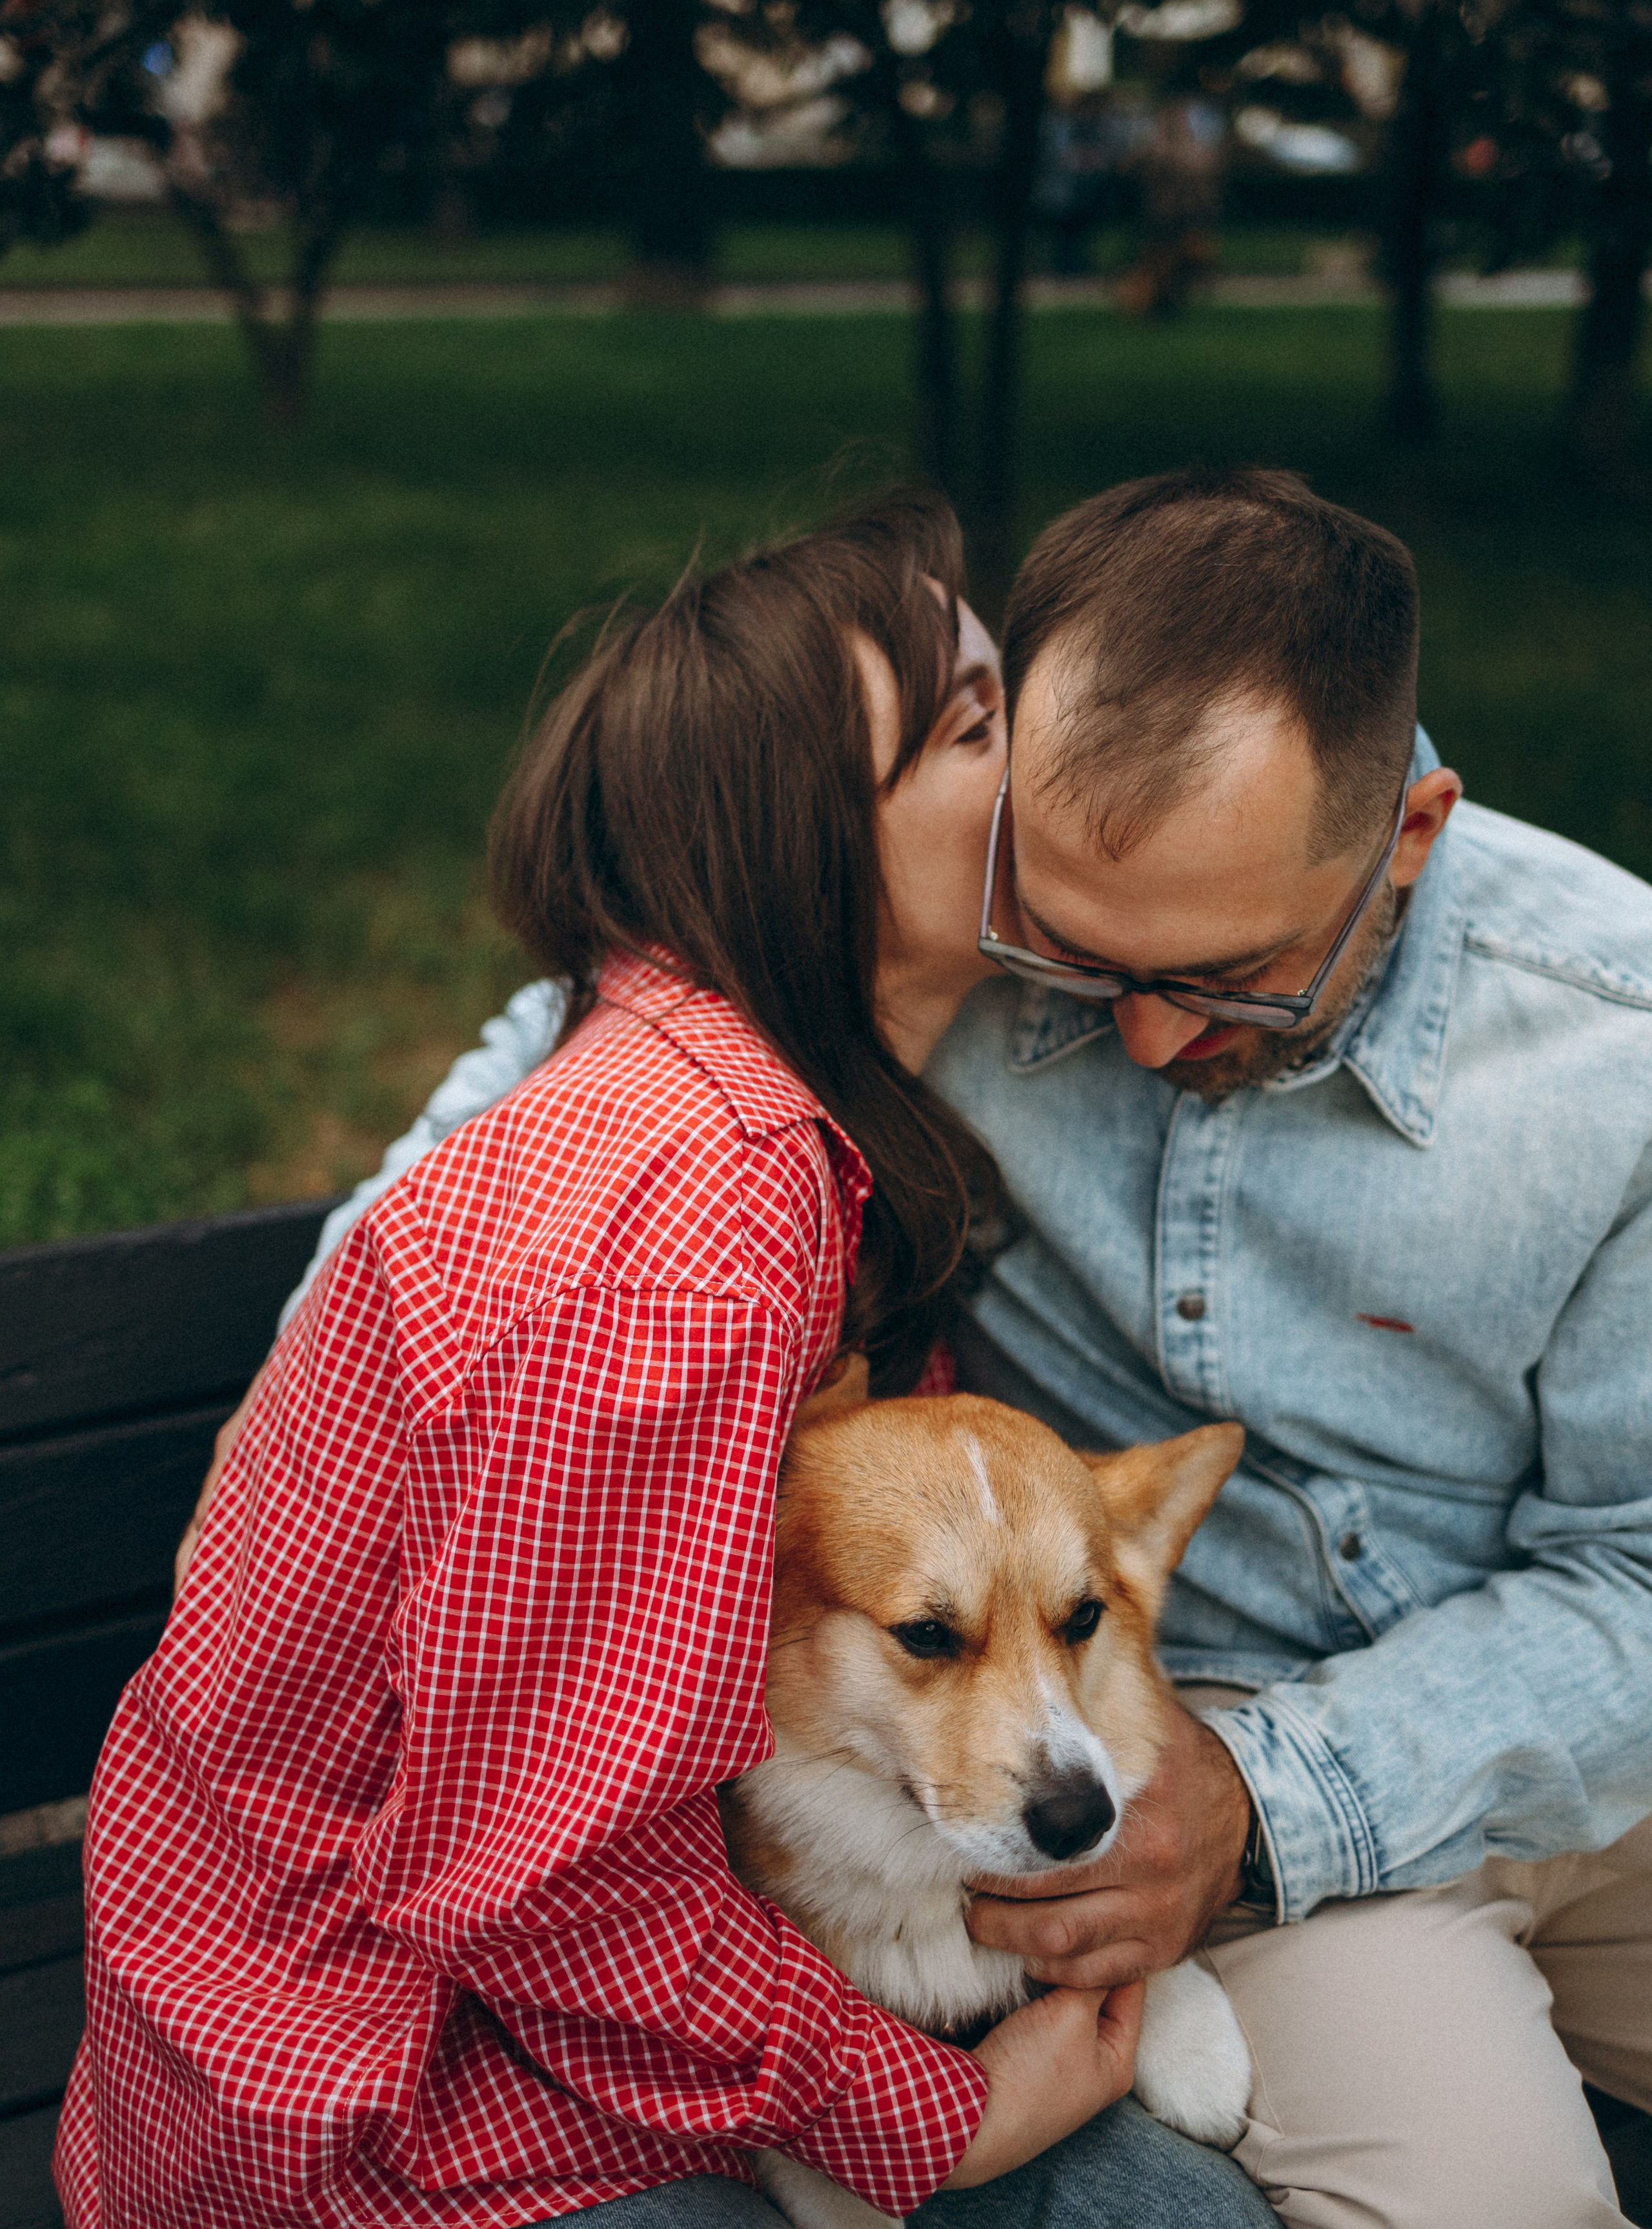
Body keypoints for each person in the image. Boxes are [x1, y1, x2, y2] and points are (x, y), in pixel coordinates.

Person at [282, 467, 1652, 2229]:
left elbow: (1632, 1573)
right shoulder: (955, 910)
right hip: (1157, 1734)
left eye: (1238, 981)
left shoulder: (1613, 1054)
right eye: (1083, 968)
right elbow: (499, 1156)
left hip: (1535, 1725)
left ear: (1411, 830)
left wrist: (1274, 1796)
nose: (1150, 1037)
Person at [65, 494, 1272, 2229]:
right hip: (384, 2108)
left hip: (566, 2004)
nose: (1051, 754)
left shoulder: (773, 1122)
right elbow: (541, 1884)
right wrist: (936, 2122)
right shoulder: (682, 1233)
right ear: (810, 838)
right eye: (978, 726)